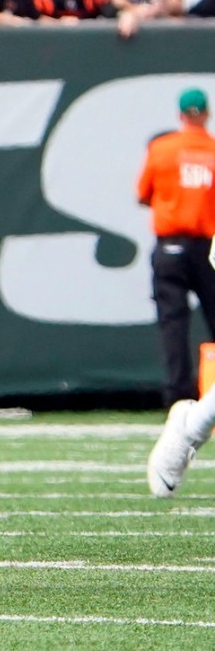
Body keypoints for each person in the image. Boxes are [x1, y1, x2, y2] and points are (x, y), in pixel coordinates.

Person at [137, 88, 215, 419]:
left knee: (173, 322)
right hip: (209, 243)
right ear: (207, 114)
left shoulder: (162, 148)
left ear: (180, 115)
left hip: (170, 243)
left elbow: (143, 194)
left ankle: (178, 397)